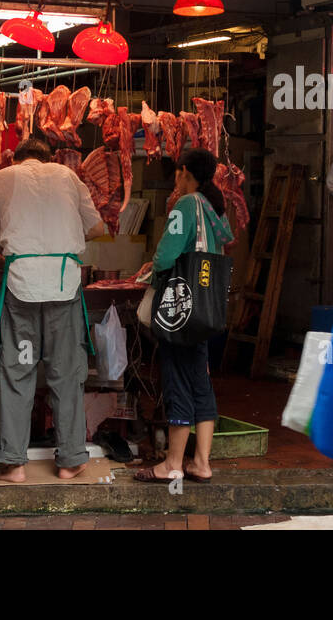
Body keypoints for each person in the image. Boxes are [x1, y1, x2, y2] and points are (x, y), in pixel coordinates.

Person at [0, 135, 105, 482]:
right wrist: (64, 244)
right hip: (64, 286)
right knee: (66, 373)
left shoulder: (1, 177)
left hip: (20, 287)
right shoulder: (69, 177)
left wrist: (2, 261)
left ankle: (13, 463)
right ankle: (71, 460)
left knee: (17, 373)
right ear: (49, 158)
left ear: (18, 158)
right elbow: (99, 229)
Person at [134, 148, 234, 486]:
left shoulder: (187, 204)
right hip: (207, 307)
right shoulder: (214, 208)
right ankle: (201, 462)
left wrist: (152, 268)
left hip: (182, 306)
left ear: (184, 172)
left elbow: (166, 257)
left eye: (177, 173)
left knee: (177, 377)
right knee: (200, 381)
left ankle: (172, 463)